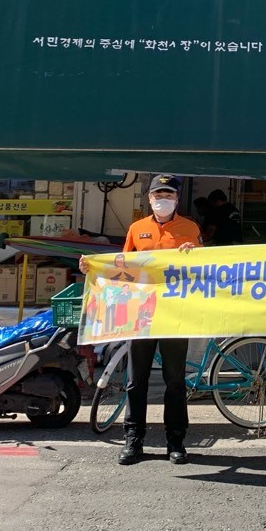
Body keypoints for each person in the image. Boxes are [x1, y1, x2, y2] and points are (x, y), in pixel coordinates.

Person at [79, 174, 199, 466]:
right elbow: (123, 267)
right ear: (149, 198)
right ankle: (133, 440)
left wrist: (195, 255)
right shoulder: (137, 228)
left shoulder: (190, 228)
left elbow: (203, 270)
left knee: (175, 381)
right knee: (136, 380)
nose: (163, 200)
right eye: (158, 194)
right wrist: (93, 268)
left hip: (175, 314)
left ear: (177, 199)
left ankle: (176, 441)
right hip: (141, 314)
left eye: (168, 195)